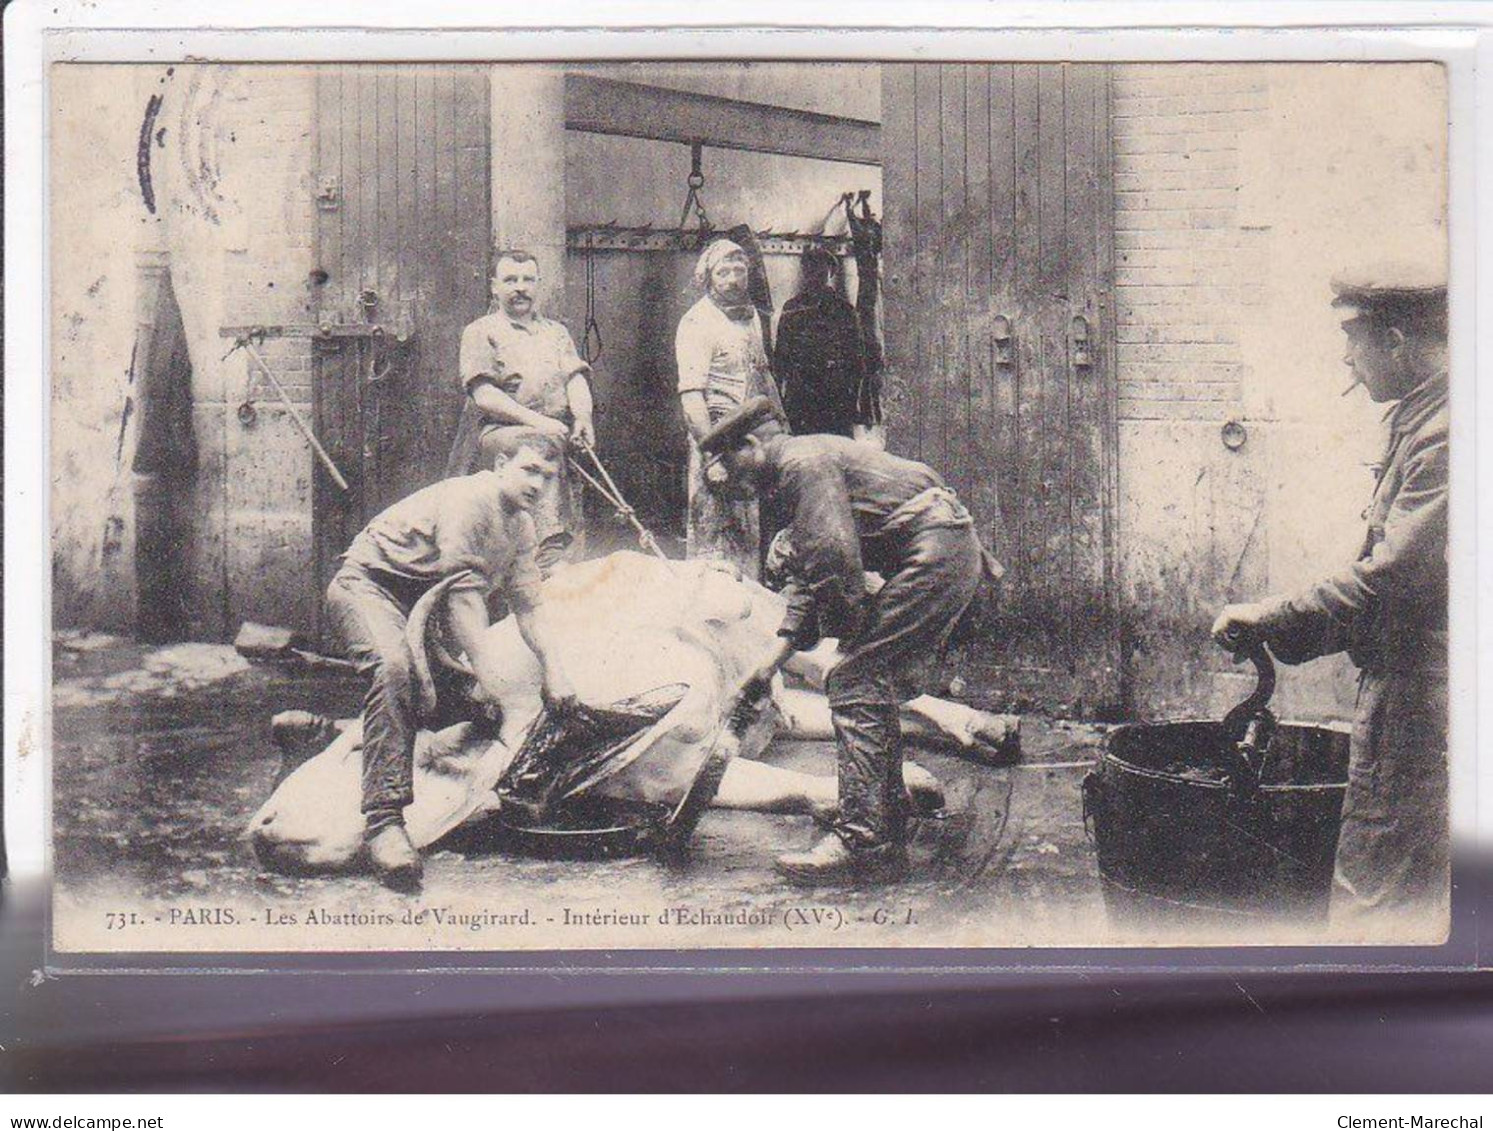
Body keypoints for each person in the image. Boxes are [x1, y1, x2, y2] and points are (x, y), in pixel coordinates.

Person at [1211, 262, 1448, 932]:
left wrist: (1271, 613)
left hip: (1417, 691)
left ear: (1395, 341)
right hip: (1416, 679)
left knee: (1375, 884)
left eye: (1353, 339)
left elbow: (1392, 576)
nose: (1346, 357)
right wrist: (1292, 636)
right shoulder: (1423, 417)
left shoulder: (1445, 432)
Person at [699, 396, 1004, 883]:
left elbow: (833, 566)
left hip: (934, 554)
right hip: (941, 550)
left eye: (729, 465)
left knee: (854, 682)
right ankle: (884, 820)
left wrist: (845, 641)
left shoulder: (800, 465)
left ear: (752, 445)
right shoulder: (809, 455)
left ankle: (864, 839)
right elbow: (813, 573)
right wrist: (767, 666)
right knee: (861, 680)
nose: (732, 482)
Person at [327, 443, 577, 891]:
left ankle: (321, 733)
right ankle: (383, 822)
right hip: (369, 588)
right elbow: (462, 599)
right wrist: (491, 678)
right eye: (530, 470)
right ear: (501, 465)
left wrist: (557, 671)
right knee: (393, 671)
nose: (538, 484)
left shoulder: (521, 526)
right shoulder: (470, 498)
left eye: (548, 477)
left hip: (419, 614)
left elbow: (531, 608)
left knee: (473, 708)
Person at [445, 250, 595, 574]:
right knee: (542, 447)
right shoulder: (481, 330)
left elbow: (575, 379)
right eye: (511, 280)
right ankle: (547, 552)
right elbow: (484, 395)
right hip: (499, 433)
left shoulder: (556, 332)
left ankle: (565, 556)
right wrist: (540, 423)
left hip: (555, 431)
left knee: (561, 449)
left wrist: (583, 418)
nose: (520, 288)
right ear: (494, 286)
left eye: (528, 279)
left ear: (538, 285)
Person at [675, 239, 785, 577]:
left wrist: (785, 427)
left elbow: (763, 375)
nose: (733, 279)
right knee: (716, 540)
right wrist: (711, 456)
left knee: (750, 534)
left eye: (740, 270)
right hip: (717, 442)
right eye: (724, 272)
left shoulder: (750, 317)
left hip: (752, 442)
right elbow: (692, 397)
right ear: (707, 278)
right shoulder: (697, 323)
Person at [773, 245, 875, 438]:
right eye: (810, 267)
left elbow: (857, 358)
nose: (815, 273)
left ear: (831, 272)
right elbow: (781, 357)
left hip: (836, 398)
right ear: (804, 271)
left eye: (821, 268)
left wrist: (854, 400)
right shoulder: (792, 308)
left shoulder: (844, 310)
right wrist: (781, 399)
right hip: (802, 398)